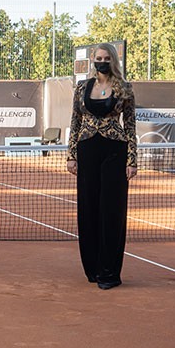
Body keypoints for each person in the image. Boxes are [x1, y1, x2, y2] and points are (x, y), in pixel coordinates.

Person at [66, 43, 137, 290]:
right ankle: (93, 268)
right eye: (99, 58)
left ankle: (110, 272)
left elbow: (130, 126)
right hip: (87, 150)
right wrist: (71, 155)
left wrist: (132, 160)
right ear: (93, 59)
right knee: (88, 209)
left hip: (115, 151)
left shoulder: (124, 88)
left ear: (113, 60)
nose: (102, 62)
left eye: (107, 58)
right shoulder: (82, 87)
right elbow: (75, 122)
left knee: (112, 210)